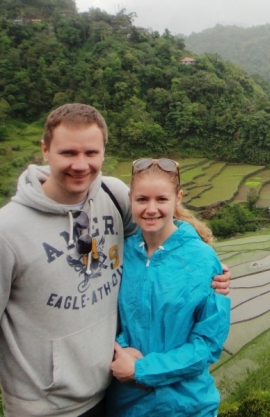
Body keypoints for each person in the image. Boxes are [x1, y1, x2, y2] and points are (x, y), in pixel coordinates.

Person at [0, 104, 231, 417]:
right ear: (45, 151)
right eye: (68, 153)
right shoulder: (1, 235)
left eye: (91, 153)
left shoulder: (112, 196)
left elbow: (157, 240)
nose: (80, 165)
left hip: (112, 394)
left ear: (104, 153)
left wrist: (209, 267)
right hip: (49, 409)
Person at [105, 158, 230, 417]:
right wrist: (121, 347)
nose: (151, 209)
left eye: (161, 199)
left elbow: (207, 345)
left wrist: (142, 369)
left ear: (177, 198)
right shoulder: (121, 253)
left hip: (187, 406)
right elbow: (103, 313)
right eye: (142, 200)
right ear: (130, 199)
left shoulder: (203, 259)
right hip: (128, 406)